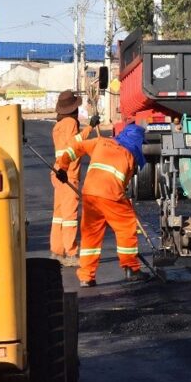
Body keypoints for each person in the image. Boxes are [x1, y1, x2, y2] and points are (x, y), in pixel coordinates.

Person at [55, 123, 147, 287]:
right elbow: (122, 185)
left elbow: (75, 147)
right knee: (126, 227)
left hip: (90, 194)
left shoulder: (100, 142)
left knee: (91, 234)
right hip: (111, 195)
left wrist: (63, 166)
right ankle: (131, 268)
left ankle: (86, 276)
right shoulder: (130, 156)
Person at [50, 90, 96, 267]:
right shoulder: (70, 123)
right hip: (67, 173)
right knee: (69, 215)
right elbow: (74, 144)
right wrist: (90, 127)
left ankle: (57, 251)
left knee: (59, 215)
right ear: (73, 109)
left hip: (58, 172)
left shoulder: (58, 125)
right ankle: (70, 254)